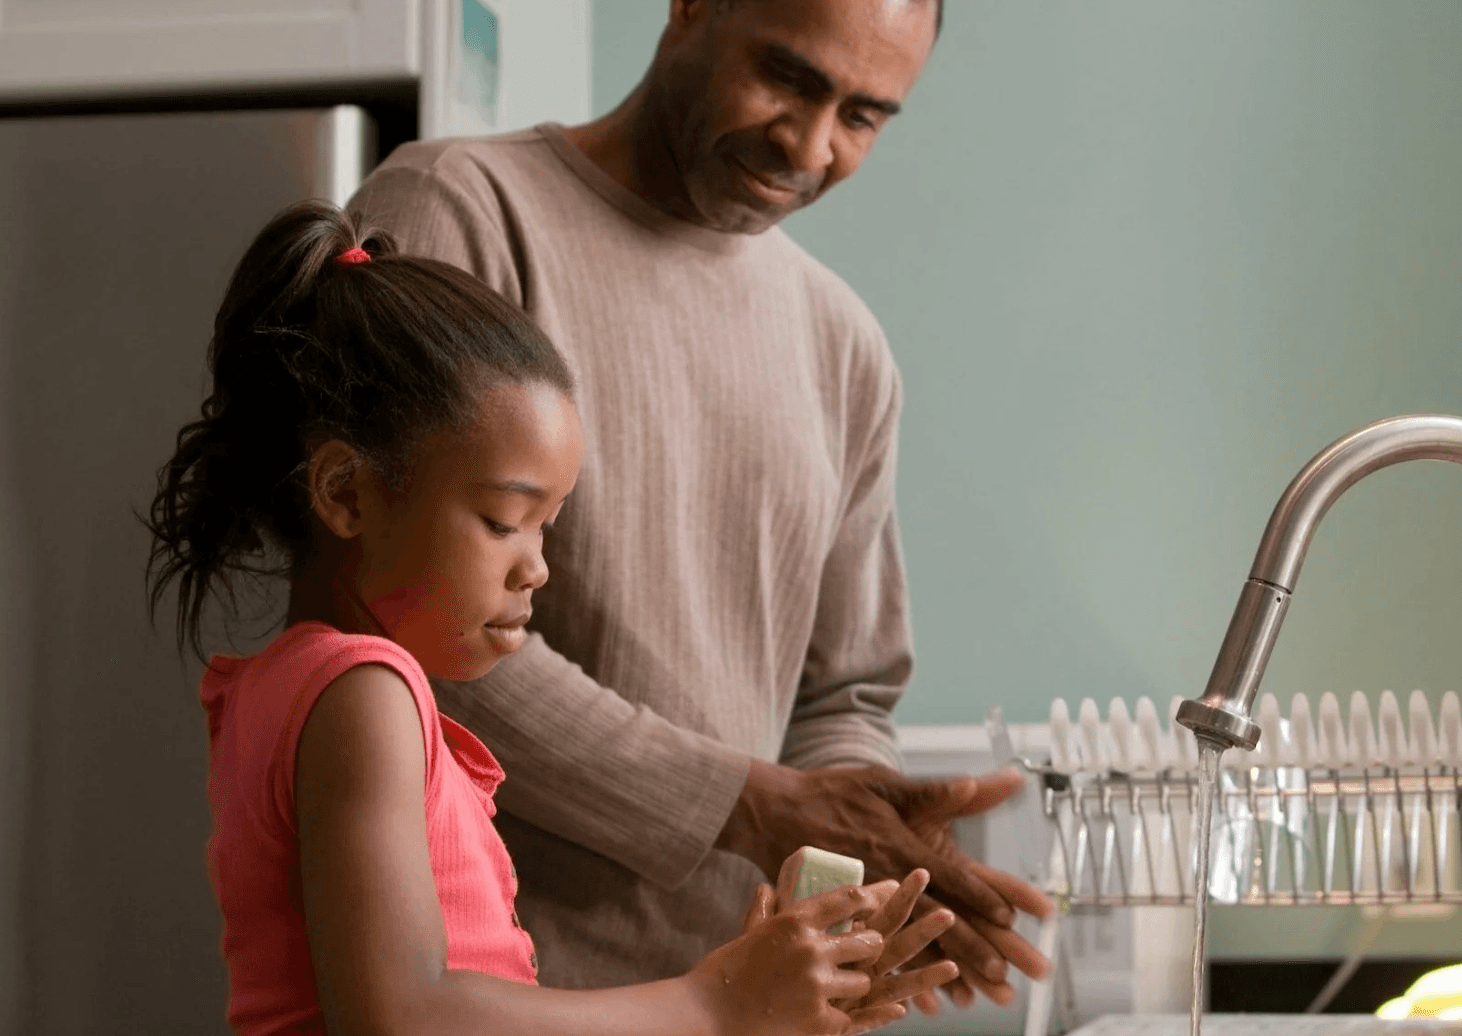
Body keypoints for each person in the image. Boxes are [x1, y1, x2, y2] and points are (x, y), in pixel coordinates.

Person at [345, 0, 1050, 1013]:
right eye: (787, 78)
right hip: (487, 1003)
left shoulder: (843, 346)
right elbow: (394, 614)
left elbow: (844, 692)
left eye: (863, 116)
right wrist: (748, 806)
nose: (810, 147)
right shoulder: (461, 212)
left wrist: (858, 864)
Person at [146, 202, 959, 1035]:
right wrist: (713, 1001)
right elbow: (405, 1015)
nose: (537, 567)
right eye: (503, 521)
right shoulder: (362, 692)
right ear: (346, 493)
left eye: (548, 526)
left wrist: (758, 1003)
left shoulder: (292, 688)